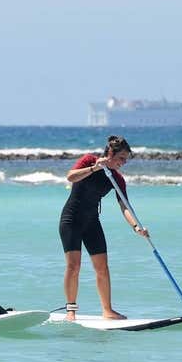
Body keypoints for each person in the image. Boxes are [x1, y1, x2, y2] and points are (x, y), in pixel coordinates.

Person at [58, 135, 149, 321]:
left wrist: (136, 227)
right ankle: (71, 311)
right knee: (74, 266)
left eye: (125, 159)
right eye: (121, 158)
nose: (123, 163)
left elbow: (125, 206)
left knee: (102, 268)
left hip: (92, 222)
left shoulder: (116, 178)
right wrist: (94, 168)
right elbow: (70, 176)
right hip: (71, 220)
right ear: (110, 153)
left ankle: (107, 310)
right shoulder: (89, 161)